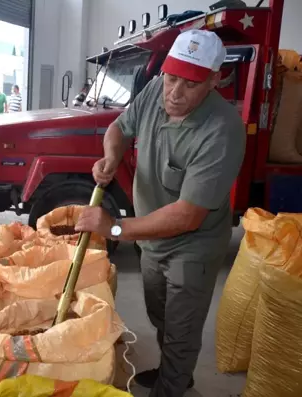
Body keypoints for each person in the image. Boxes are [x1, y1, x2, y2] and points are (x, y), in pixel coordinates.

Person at [75, 30, 246, 397]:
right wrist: (111, 155)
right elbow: (119, 127)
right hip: (150, 236)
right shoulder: (156, 89)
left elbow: (187, 215)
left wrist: (116, 228)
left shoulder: (222, 130)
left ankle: (172, 386)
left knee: (182, 326)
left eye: (190, 84)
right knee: (160, 314)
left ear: (216, 79)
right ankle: (175, 373)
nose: (174, 93)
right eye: (171, 78)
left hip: (192, 244)